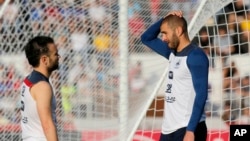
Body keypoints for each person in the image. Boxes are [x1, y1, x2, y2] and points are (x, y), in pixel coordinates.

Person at [141, 11, 209, 141]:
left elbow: (201, 95)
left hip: (188, 128)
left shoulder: (196, 56)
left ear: (178, 31)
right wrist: (164, 19)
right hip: (168, 130)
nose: (163, 38)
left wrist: (190, 130)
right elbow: (146, 38)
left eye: (165, 33)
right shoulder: (172, 53)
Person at [20, 36, 60, 141]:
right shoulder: (42, 87)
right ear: (44, 60)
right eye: (55, 54)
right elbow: (47, 125)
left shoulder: (28, 79)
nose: (58, 57)